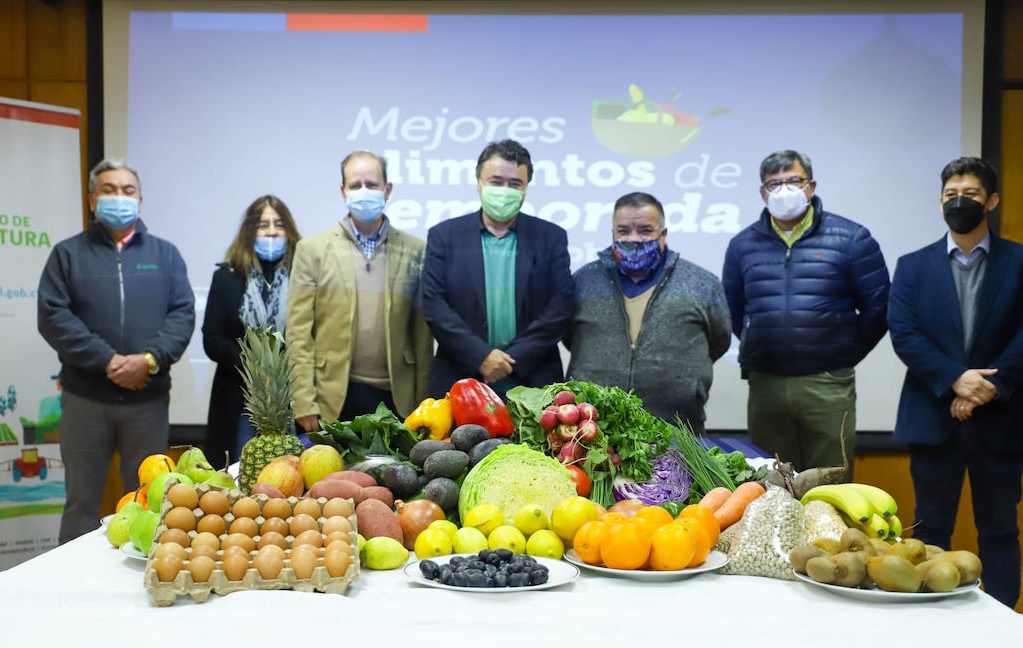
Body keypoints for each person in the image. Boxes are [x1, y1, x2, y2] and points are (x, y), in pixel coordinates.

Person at [37, 159, 195, 543]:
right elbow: (53, 316)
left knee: (151, 502)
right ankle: (72, 591)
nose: (119, 197)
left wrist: (150, 360)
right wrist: (106, 360)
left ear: (140, 199)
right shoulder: (68, 254)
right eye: (109, 190)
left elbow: (182, 314)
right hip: (85, 400)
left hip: (148, 402)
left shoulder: (166, 254)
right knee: (80, 504)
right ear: (93, 201)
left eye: (127, 190)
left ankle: (145, 583)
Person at [888, 157, 1023, 608]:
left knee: (1000, 530)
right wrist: (956, 381)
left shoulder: (1020, 261)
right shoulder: (913, 266)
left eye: (969, 194)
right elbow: (904, 333)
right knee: (929, 529)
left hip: (1002, 419)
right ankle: (932, 624)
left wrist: (987, 388)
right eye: (950, 195)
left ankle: (1005, 628)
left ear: (992, 201)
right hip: (932, 415)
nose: (959, 202)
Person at [722, 150, 889, 477]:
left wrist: (843, 353)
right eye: (774, 183)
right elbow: (732, 309)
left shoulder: (852, 238)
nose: (784, 190)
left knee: (831, 481)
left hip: (826, 383)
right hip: (766, 383)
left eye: (793, 181)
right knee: (771, 483)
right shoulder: (743, 245)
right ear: (762, 193)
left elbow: (879, 308)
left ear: (810, 186)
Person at [286, 151, 432, 432]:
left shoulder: (416, 251)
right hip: (332, 398)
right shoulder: (312, 250)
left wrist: (424, 403)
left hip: (398, 399)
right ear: (343, 191)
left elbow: (423, 339)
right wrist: (303, 402)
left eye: (372, 184)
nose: (364, 191)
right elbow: (299, 334)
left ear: (387, 190)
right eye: (355, 185)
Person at [566, 192, 731, 432]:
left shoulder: (702, 283)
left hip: (677, 427)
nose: (634, 239)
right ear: (613, 234)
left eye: (645, 230)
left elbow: (719, 339)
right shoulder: (583, 281)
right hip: (593, 428)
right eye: (624, 231)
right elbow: (571, 337)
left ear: (663, 234)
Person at [422, 139, 574, 399]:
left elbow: (561, 306)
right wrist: (481, 357)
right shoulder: (444, 236)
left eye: (515, 183)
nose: (505, 189)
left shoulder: (551, 237)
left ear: (525, 189)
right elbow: (434, 303)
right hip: (460, 379)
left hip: (533, 381)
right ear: (479, 184)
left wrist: (509, 361)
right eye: (496, 181)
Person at [202, 195, 301, 466]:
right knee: (238, 473)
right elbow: (212, 338)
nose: (271, 231)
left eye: (278, 225)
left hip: (294, 397)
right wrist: (256, 365)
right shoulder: (227, 276)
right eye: (263, 225)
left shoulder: (303, 275)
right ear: (250, 231)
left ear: (289, 231)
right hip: (238, 395)